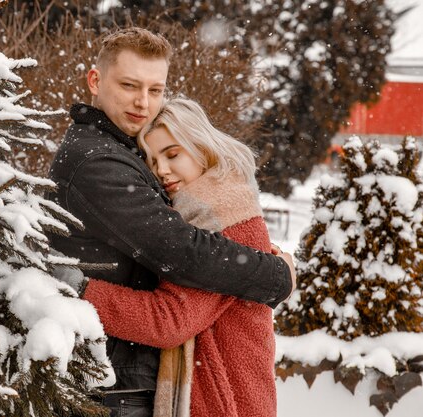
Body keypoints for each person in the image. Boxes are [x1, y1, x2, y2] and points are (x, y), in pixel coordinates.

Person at [47, 27, 295, 417]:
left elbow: (175, 304)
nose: (142, 102)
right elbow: (179, 251)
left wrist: (273, 270)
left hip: (188, 391)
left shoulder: (217, 208)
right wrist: (274, 272)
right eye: (129, 85)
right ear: (94, 80)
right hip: (114, 385)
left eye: (155, 89)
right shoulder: (98, 160)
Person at [78, 97, 279, 417]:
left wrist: (81, 291)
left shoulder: (221, 216)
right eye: (152, 160)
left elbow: (169, 320)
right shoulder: (205, 211)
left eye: (172, 155)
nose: (162, 170)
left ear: (202, 148)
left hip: (228, 402)